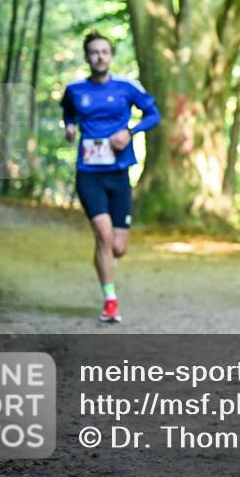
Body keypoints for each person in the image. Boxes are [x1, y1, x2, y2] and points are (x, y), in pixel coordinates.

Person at [61, 32, 160, 323]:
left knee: (118, 247)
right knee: (103, 236)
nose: (100, 57)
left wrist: (130, 131)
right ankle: (110, 300)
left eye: (104, 52)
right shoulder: (75, 90)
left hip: (119, 173)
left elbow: (154, 115)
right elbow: (68, 113)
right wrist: (69, 127)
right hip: (88, 174)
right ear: (86, 57)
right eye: (94, 52)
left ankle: (105, 261)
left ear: (111, 56)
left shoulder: (127, 87)